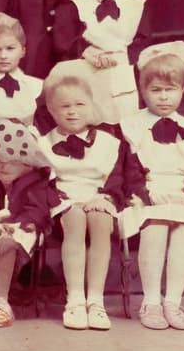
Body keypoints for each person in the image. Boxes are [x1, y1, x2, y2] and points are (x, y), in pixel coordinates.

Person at [38, 63, 144, 331]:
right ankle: (74, 299)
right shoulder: (43, 143)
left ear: (91, 106)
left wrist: (107, 198)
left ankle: (95, 301)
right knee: (74, 218)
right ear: (51, 110)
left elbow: (117, 177)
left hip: (98, 197)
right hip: (63, 203)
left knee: (99, 219)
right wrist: (61, 199)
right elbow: (42, 182)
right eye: (64, 106)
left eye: (79, 105)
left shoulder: (110, 142)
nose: (72, 111)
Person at [118, 43, 184, 330]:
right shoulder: (130, 126)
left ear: (182, 90)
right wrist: (147, 195)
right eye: (156, 90)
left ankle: (172, 300)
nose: (163, 97)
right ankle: (151, 301)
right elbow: (126, 171)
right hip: (144, 196)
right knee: (156, 224)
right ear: (143, 91)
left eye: (170, 90)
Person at [52, 0, 150, 123]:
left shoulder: (135, 6)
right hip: (88, 77)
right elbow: (62, 42)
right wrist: (85, 50)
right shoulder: (74, 7)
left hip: (124, 79)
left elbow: (143, 43)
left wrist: (123, 57)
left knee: (127, 128)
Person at [0, 118, 56, 328]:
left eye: (14, 159)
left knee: (7, 244)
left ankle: (2, 304)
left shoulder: (36, 181)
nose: (4, 165)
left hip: (22, 229)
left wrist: (15, 225)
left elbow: (37, 211)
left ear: (29, 163)